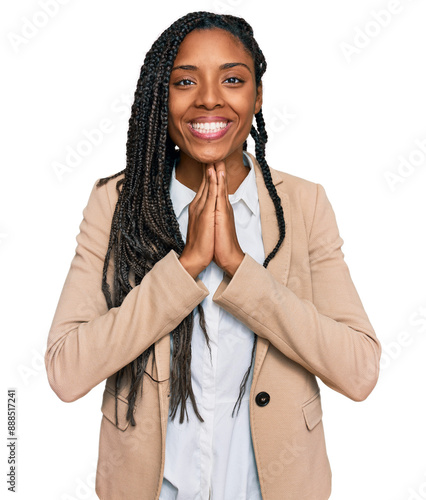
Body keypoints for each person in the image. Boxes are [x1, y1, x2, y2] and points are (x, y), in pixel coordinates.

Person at [45, 11, 382, 500]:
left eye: (232, 79)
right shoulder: (115, 203)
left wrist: (240, 272)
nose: (209, 97)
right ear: (161, 98)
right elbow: (66, 371)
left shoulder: (304, 205)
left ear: (257, 95)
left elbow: (359, 371)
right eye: (185, 81)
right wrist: (183, 270)